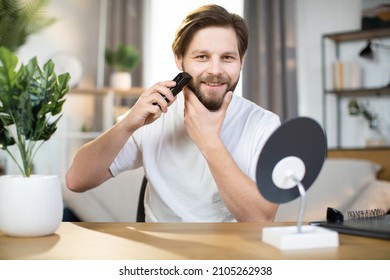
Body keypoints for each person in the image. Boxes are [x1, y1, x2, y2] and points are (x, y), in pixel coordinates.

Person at [66, 4, 280, 222]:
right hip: (159, 252)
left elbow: (261, 220)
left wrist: (208, 140)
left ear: (241, 61)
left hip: (231, 253)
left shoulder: (264, 125)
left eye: (227, 58)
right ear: (179, 59)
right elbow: (76, 180)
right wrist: (128, 124)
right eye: (202, 57)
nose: (215, 70)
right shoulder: (153, 116)